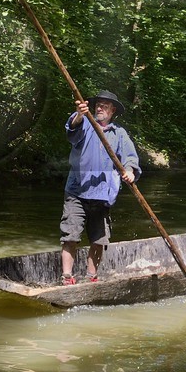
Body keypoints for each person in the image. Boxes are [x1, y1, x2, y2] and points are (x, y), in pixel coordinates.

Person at [60, 90, 140, 285]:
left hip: (103, 195)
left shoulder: (119, 133)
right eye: (98, 105)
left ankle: (91, 277)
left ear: (112, 111)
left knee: (99, 240)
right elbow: (72, 129)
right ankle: (67, 277)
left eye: (105, 106)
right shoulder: (85, 123)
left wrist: (129, 170)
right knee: (70, 235)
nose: (100, 108)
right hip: (77, 192)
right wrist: (80, 113)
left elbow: (130, 157)